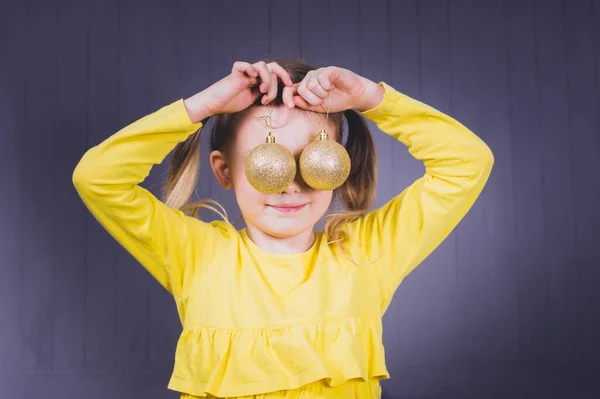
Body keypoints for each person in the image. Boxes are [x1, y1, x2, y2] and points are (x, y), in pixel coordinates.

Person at [72, 58, 494, 399]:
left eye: (316, 160)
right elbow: (96, 178)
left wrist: (371, 97)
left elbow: (468, 163)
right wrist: (203, 106)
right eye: (266, 164)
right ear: (224, 170)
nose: (292, 182)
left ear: (339, 169)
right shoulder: (197, 256)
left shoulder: (366, 254)